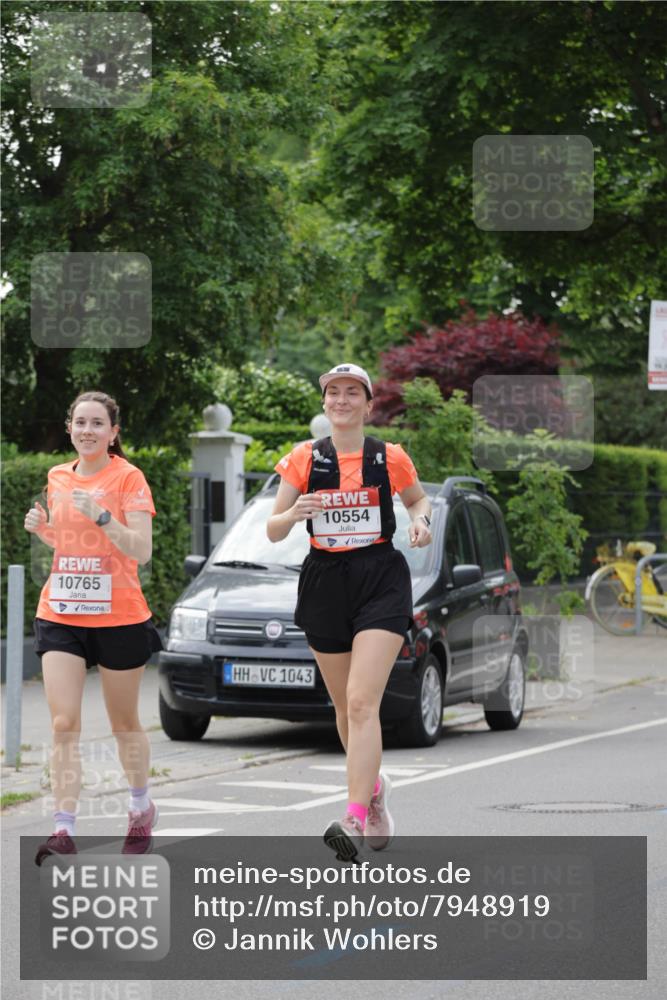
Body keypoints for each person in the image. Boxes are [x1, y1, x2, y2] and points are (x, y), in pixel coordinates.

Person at [267, 363, 432, 862]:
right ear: (324, 403)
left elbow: (418, 501)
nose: (341, 400)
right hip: (325, 581)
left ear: (367, 403)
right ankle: (375, 790)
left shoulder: (390, 457)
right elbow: (273, 530)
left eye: (351, 393)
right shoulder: (302, 459)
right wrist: (294, 515)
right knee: (344, 708)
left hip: (380, 577)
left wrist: (421, 524)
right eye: (333, 393)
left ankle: (353, 817)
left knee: (363, 701)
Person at [24, 391, 163, 865]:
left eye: (97, 423)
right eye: (80, 422)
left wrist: (102, 514)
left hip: (119, 615)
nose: (87, 430)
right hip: (61, 610)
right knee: (64, 723)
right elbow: (67, 543)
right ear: (70, 427)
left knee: (124, 723)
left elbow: (140, 550)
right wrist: (42, 528)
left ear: (113, 432)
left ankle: (141, 806)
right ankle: (63, 829)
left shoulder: (128, 478)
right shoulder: (57, 476)